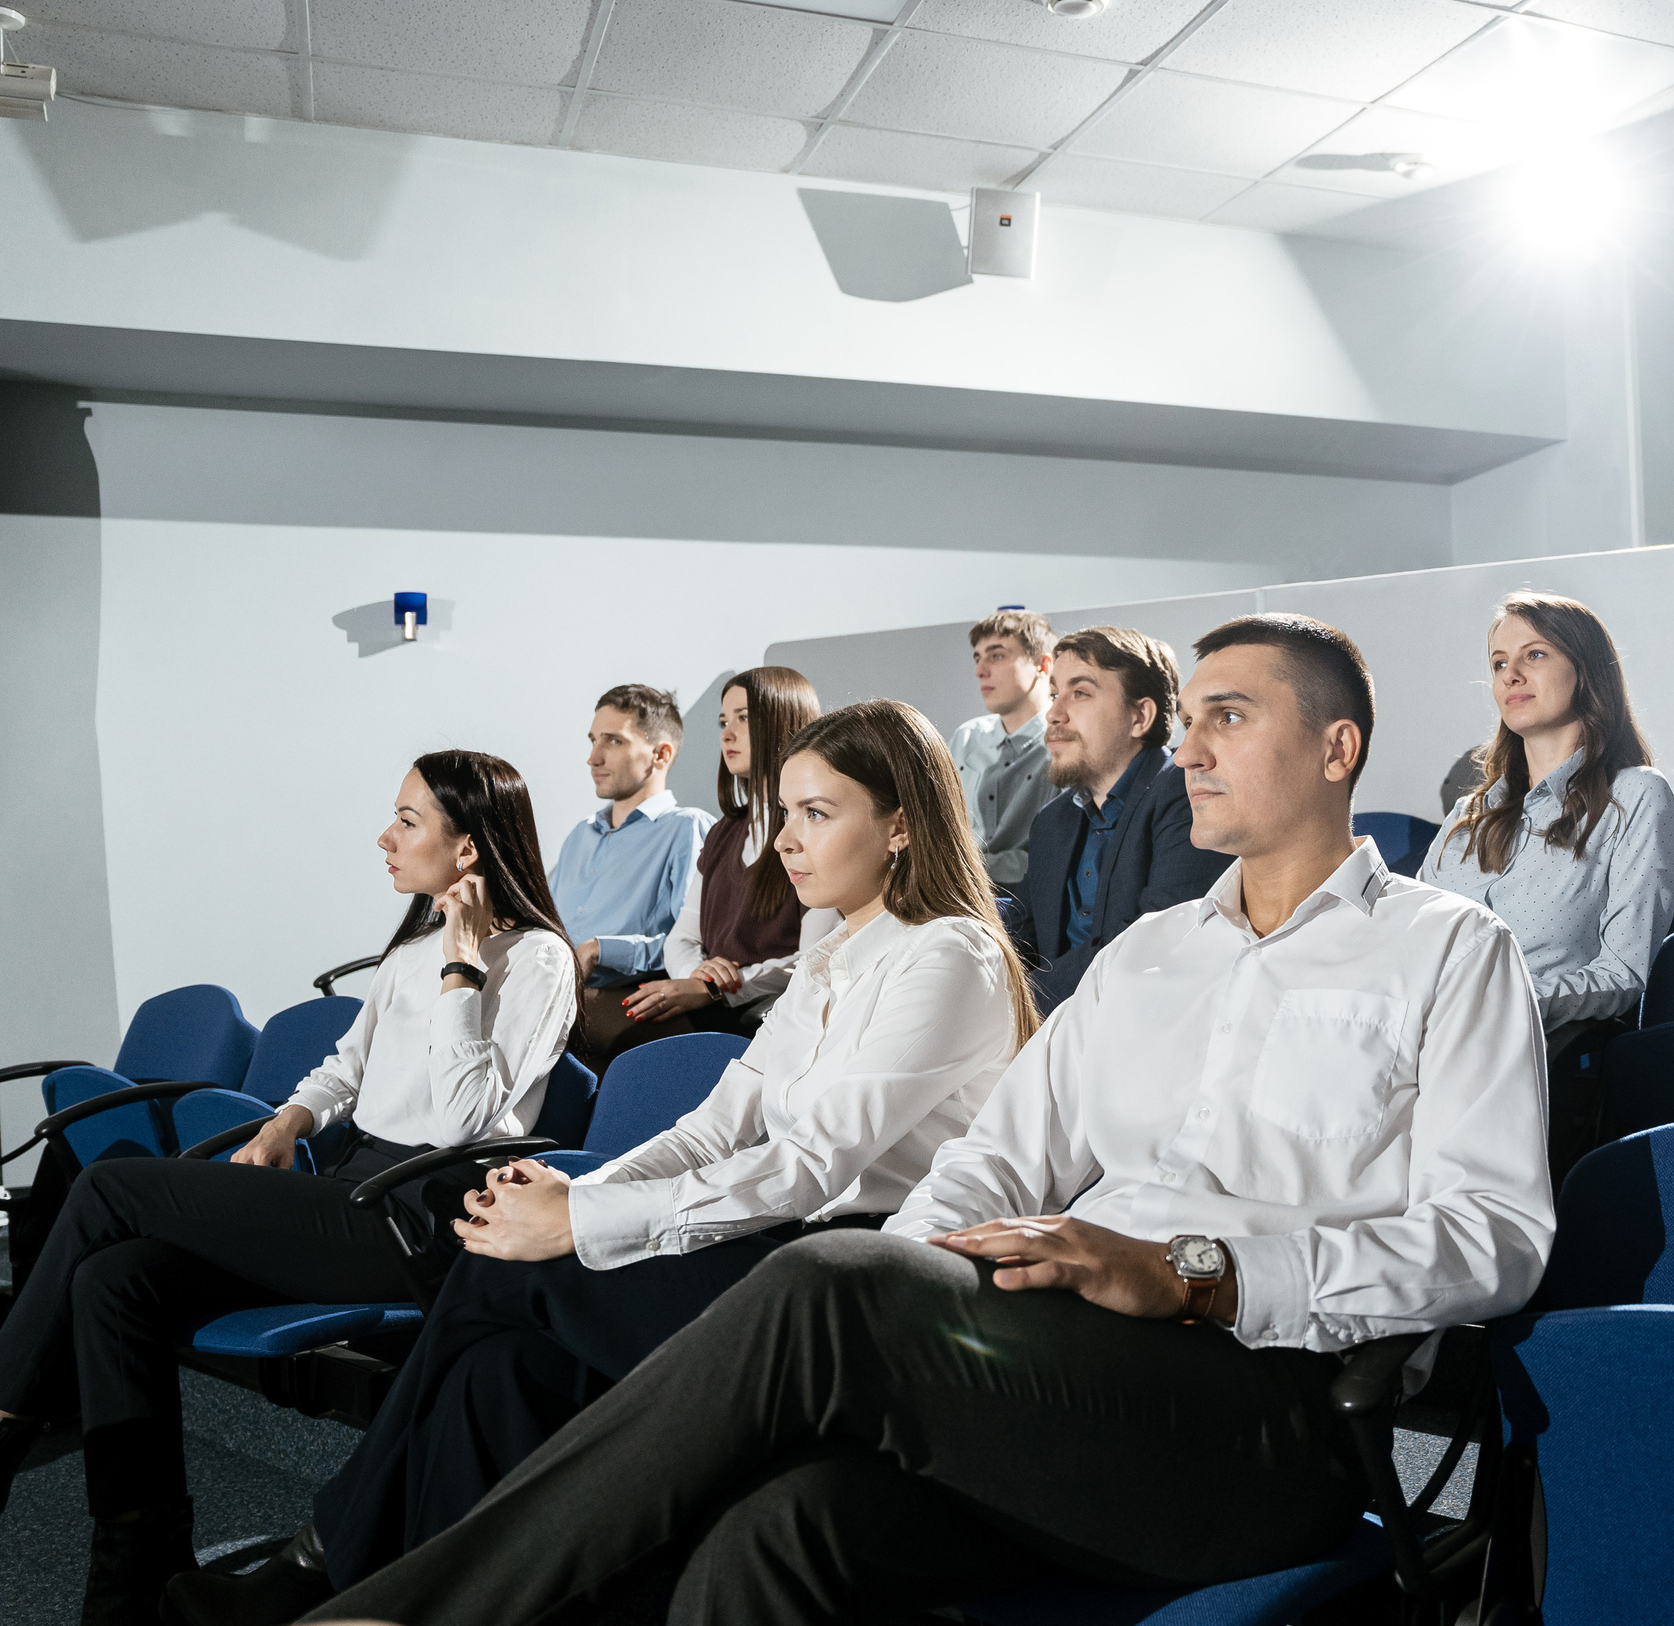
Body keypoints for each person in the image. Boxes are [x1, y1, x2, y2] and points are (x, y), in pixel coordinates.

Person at [311, 613, 1554, 1626]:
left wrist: (1194, 1273)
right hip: (1055, 1376)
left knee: (829, 1278)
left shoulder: (1448, 950)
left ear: (1337, 749)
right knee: (776, 1534)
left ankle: (396, 1611)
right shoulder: (1150, 955)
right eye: (1188, 722)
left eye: (1227, 716)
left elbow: (1494, 1238)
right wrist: (925, 1292)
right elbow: (995, 1159)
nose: (1188, 748)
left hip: (1263, 1419)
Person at [164, 701, 1039, 1626]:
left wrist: (577, 1220)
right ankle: (387, 1589)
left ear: (901, 825)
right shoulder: (833, 952)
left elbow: (806, 1169)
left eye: (816, 813)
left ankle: (327, 1562)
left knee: (497, 1272)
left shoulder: (950, 954)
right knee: (495, 1370)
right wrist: (579, 1188)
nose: (784, 838)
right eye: (785, 811)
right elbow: (714, 1127)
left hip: (844, 1283)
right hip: (775, 1243)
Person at [0, 751, 577, 1625]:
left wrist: (464, 970)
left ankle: (6, 1414)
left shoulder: (536, 959)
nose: (385, 838)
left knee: (111, 1187)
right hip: (351, 1187)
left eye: (408, 821)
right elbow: (345, 1067)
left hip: (423, 1214)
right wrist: (288, 1122)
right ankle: (136, 1563)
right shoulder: (411, 952)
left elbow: (466, 1118)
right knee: (112, 1279)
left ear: (468, 848)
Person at [1421, 592, 1674, 1164]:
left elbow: (1622, 974)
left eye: (1534, 655)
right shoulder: (1468, 814)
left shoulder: (1636, 796)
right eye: (1499, 662)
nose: (1510, 674)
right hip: (1423, 1045)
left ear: (1585, 671)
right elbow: (1412, 944)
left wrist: (1508, 1002)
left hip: (1524, 1061)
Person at [1014, 626, 1228, 1011]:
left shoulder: (1187, 793)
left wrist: (1019, 1003)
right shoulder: (1052, 821)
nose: (1054, 714)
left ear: (1140, 716)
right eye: (1054, 694)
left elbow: (1152, 949)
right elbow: (1021, 931)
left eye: (1080, 693)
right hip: (1054, 1031)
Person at [622, 667, 832, 1039]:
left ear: (784, 723)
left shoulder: (816, 830)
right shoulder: (722, 832)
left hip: (759, 1019)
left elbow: (815, 958)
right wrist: (696, 977)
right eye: (723, 722)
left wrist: (722, 989)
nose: (727, 734)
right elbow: (681, 938)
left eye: (744, 718)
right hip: (706, 1005)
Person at [551, 683, 714, 1063]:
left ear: (660, 754)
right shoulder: (580, 836)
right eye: (593, 740)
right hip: (554, 995)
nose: (593, 758)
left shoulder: (686, 829)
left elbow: (694, 944)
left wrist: (600, 949)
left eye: (613, 741)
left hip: (618, 1007)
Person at [947, 608, 1057, 893]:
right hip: (957, 896)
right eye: (978, 658)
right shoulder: (966, 737)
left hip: (1032, 899)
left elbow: (1062, 852)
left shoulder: (1064, 743)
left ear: (1043, 665)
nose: (980, 671)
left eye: (996, 656)